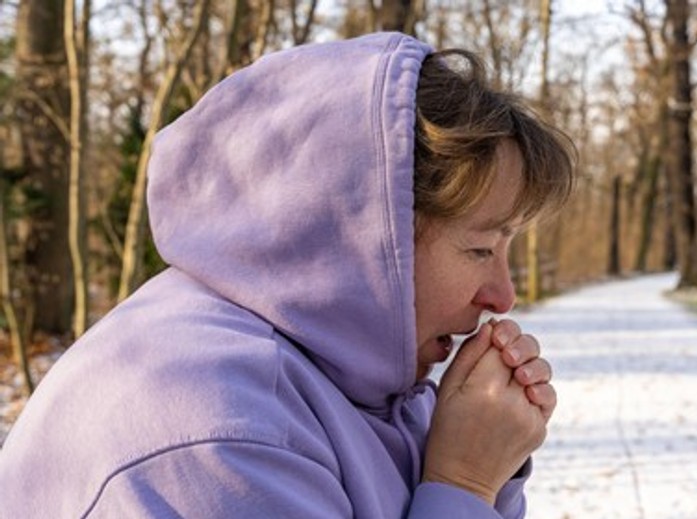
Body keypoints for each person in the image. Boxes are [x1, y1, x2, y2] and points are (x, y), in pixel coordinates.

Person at [0, 32, 574, 517]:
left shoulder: (352, 383)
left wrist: (486, 467)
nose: (503, 296)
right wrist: (464, 482)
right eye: (479, 249)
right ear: (364, 235)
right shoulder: (218, 429)